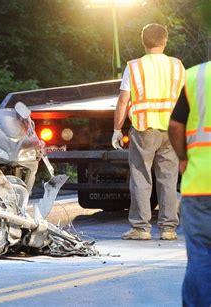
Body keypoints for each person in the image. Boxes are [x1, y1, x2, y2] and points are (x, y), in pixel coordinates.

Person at [112, 23, 185, 240]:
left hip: (144, 129)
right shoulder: (177, 66)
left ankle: (141, 229)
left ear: (143, 42)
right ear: (165, 41)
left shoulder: (134, 67)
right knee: (169, 179)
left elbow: (123, 100)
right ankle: (169, 229)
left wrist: (117, 129)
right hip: (171, 130)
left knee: (141, 178)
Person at [168, 61, 211, 306]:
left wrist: (183, 158)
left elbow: (175, 125)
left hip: (199, 185)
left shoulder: (197, 75)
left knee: (201, 258)